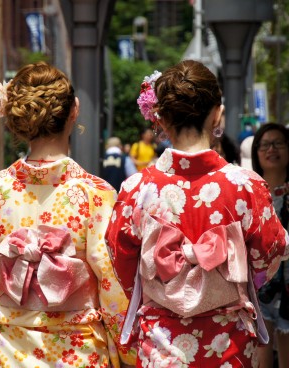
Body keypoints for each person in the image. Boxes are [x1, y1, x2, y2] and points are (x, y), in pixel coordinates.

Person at [0, 62, 135, 367]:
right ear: (73, 111)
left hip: (9, 346)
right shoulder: (95, 193)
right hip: (78, 349)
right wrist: (129, 341)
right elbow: (110, 278)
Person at [105, 60, 289, 367]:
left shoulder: (137, 188)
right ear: (217, 113)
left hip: (160, 340)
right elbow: (268, 256)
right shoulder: (245, 185)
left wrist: (168, 291)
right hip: (228, 342)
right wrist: (229, 281)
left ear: (160, 118)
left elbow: (121, 261)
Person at [251, 123, 289, 368]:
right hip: (259, 284)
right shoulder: (250, 192)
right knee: (260, 355)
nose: (271, 149)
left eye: (278, 143)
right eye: (265, 144)